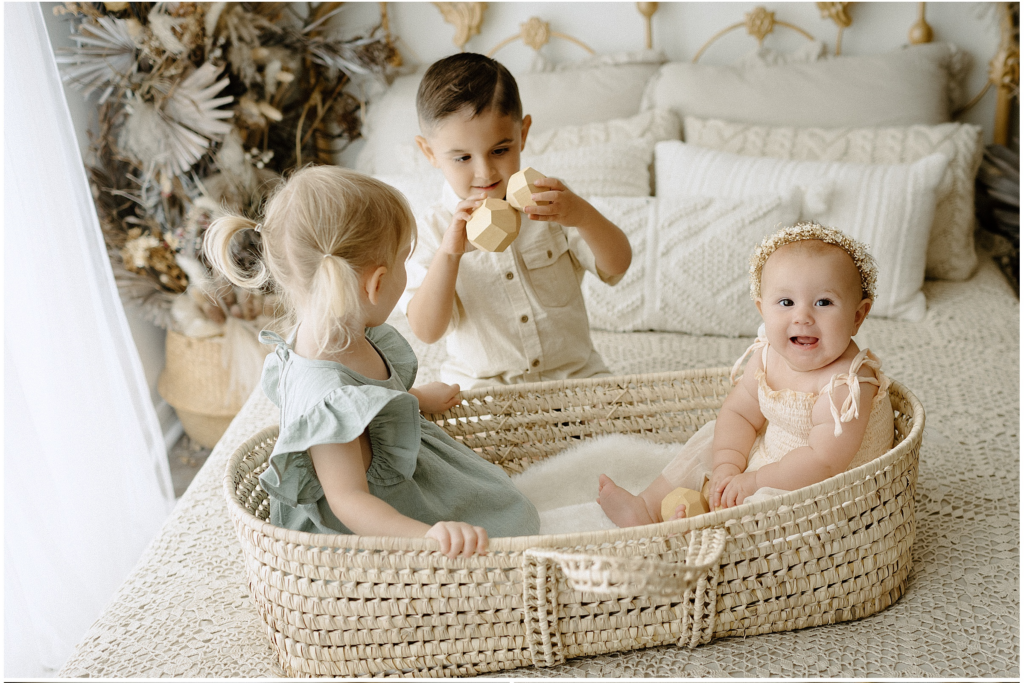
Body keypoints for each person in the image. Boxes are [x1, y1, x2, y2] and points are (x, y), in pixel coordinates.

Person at [204, 166, 539, 557]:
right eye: (403, 262)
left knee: (500, 502)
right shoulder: (324, 398)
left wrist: (411, 397)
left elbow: (361, 399)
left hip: (386, 488)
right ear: (376, 283)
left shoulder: (337, 332)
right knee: (503, 529)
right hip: (373, 524)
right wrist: (428, 537)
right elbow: (347, 501)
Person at [597, 223, 895, 527]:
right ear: (762, 309)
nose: (803, 317)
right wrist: (728, 467)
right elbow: (740, 412)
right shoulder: (767, 355)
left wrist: (752, 482)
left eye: (823, 302)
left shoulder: (848, 383)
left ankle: (703, 531)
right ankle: (647, 507)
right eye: (786, 302)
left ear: (858, 316)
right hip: (769, 456)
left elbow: (823, 461)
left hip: (824, 484)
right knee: (712, 439)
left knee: (765, 508)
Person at [401, 53, 632, 389]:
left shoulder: (552, 203)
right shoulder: (433, 230)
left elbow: (618, 265)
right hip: (483, 390)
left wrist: (583, 216)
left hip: (575, 381)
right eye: (462, 157)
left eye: (499, 150)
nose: (485, 173)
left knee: (624, 435)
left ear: (522, 134)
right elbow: (427, 330)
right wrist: (449, 255)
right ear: (430, 153)